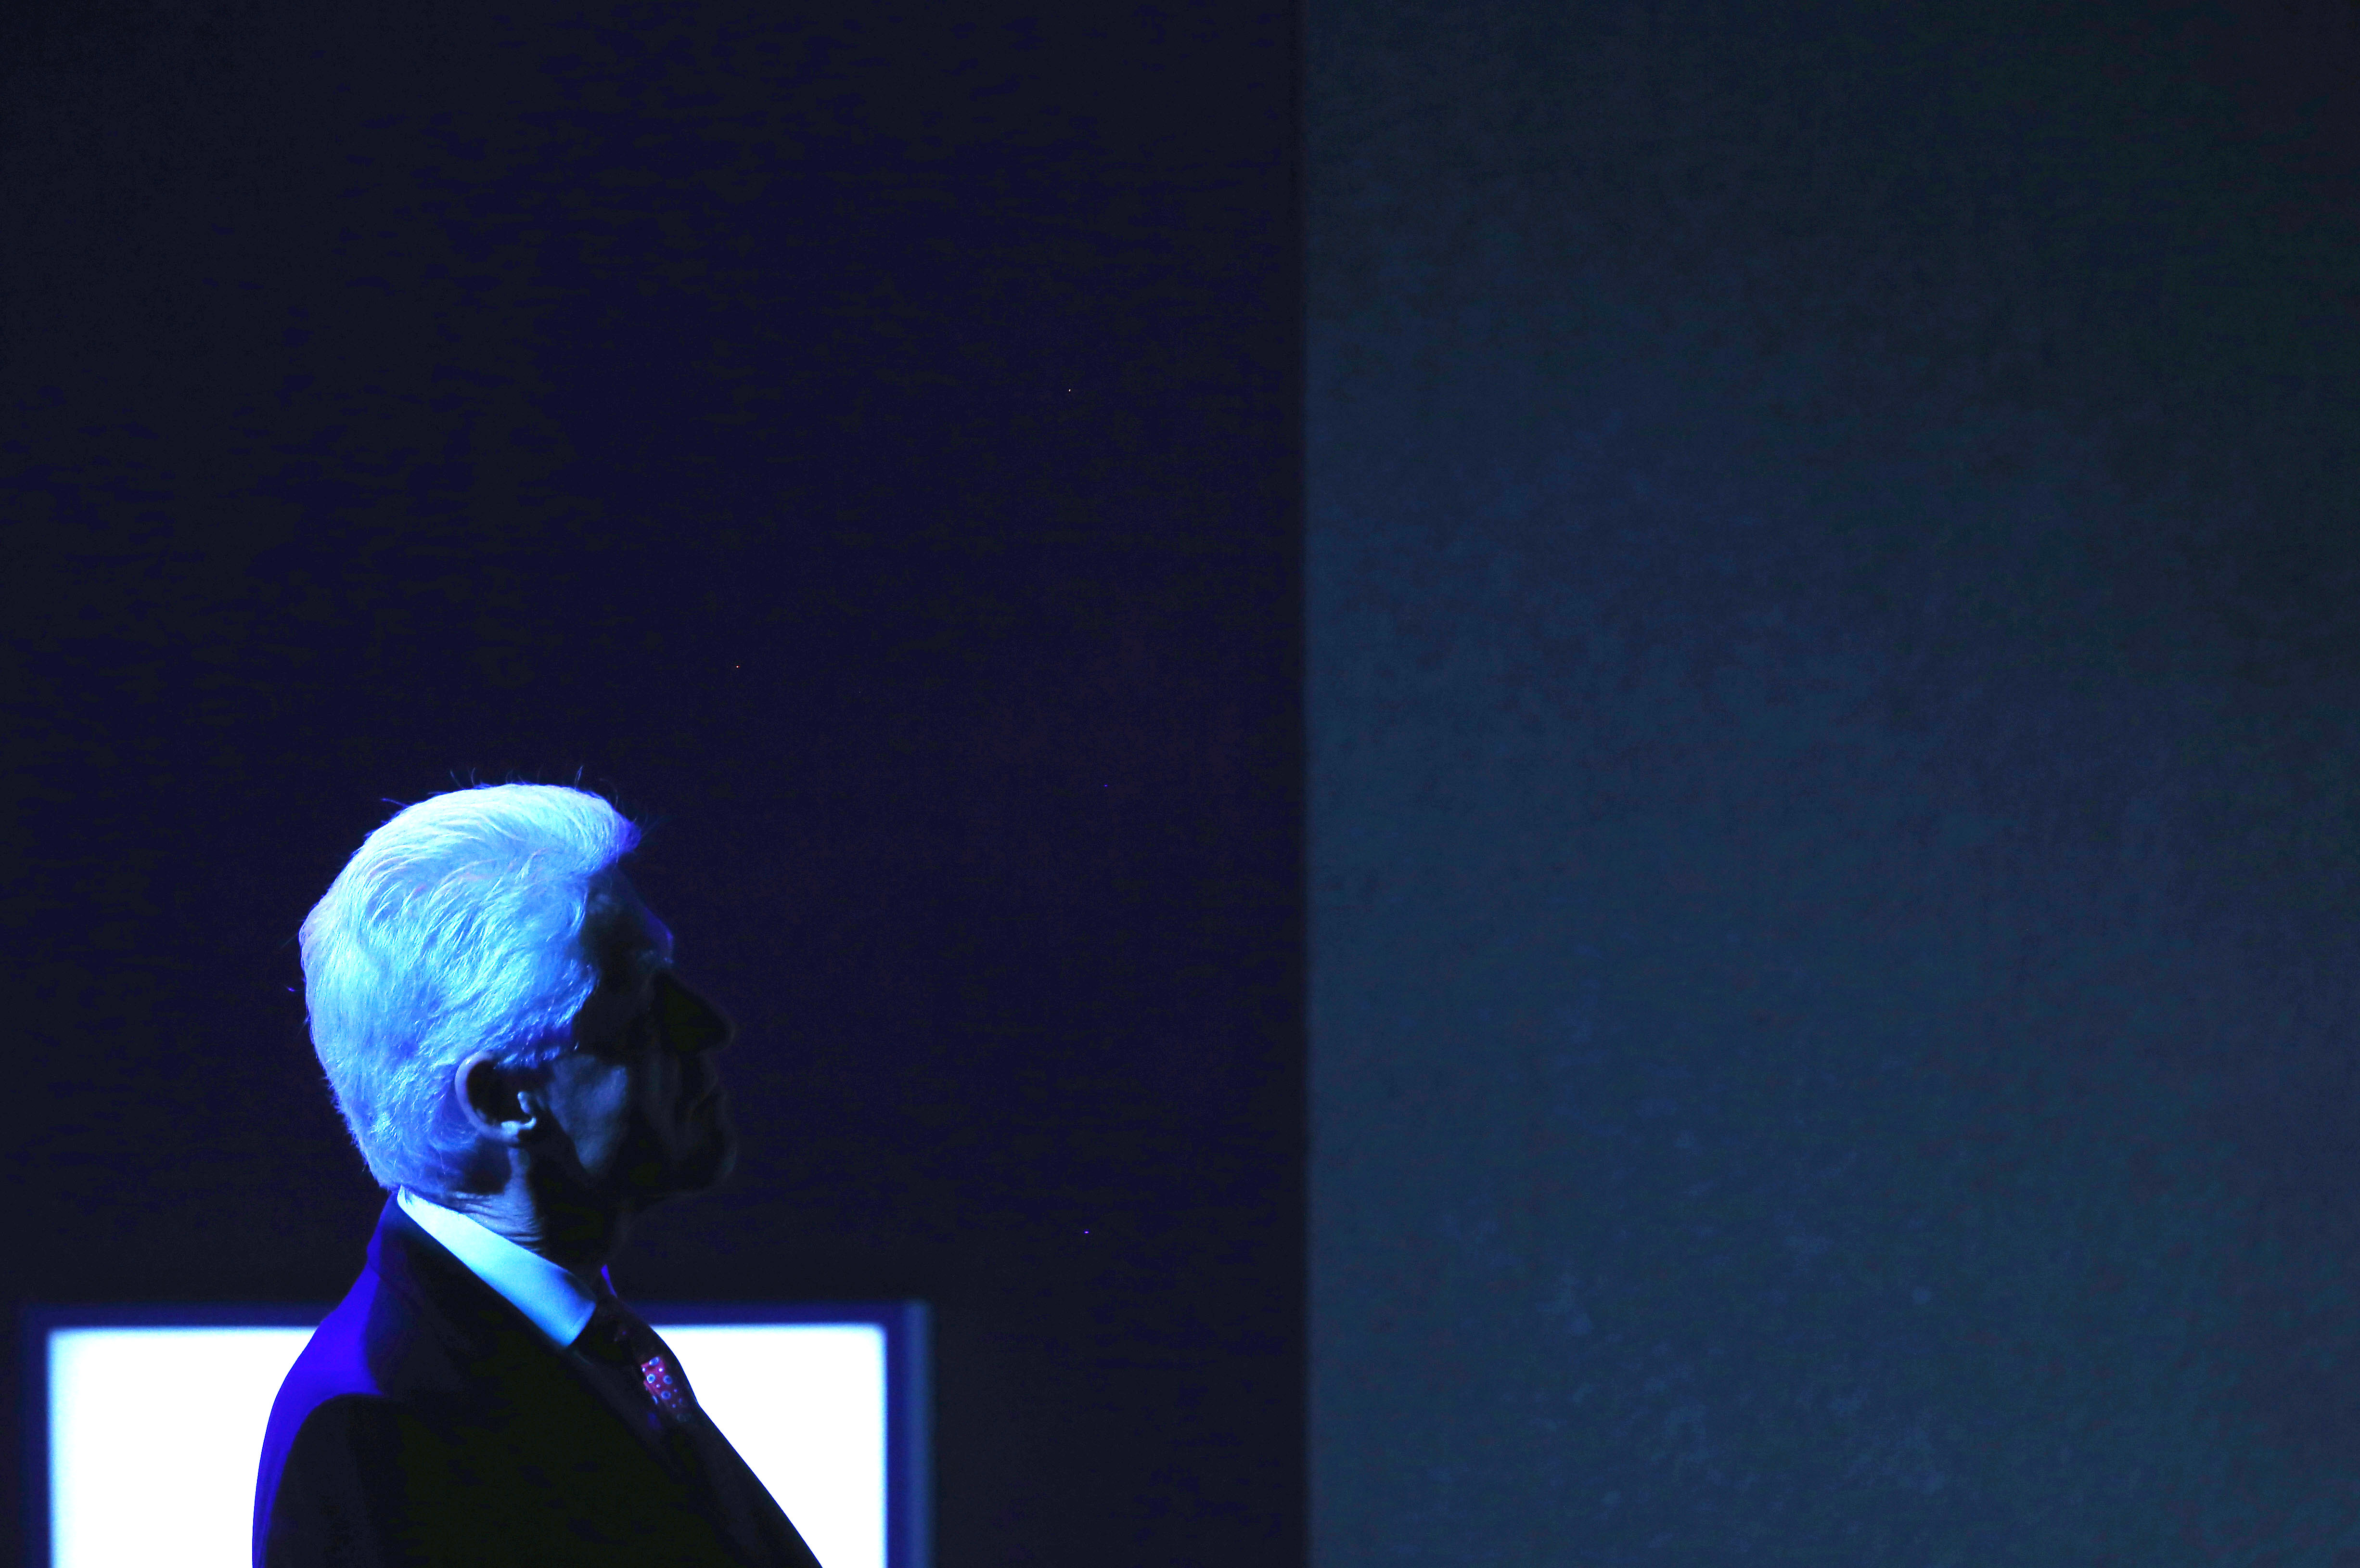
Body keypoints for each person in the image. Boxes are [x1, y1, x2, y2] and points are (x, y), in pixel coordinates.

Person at [253, 783, 821, 1567]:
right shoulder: (378, 1432)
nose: (710, 1025)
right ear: (502, 1099)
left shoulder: (563, 1346)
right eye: (640, 1002)